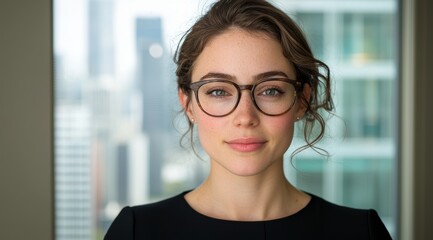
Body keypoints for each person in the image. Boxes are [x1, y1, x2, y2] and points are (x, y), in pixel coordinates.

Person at [105, 0, 392, 239]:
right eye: (219, 91)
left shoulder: (361, 232)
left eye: (270, 90)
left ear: (302, 100)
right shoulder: (136, 232)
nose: (245, 117)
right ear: (188, 104)